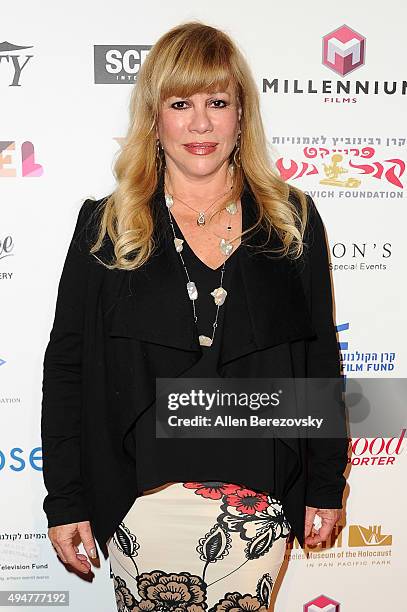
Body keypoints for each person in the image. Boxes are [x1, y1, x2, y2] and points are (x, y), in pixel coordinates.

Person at [41, 21, 348, 610]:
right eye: (181, 103)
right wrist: (67, 499)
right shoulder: (105, 225)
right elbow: (68, 371)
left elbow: (319, 364)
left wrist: (325, 483)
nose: (201, 123)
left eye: (218, 102)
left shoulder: (290, 222)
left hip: (258, 504)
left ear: (242, 116)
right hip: (138, 500)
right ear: (154, 118)